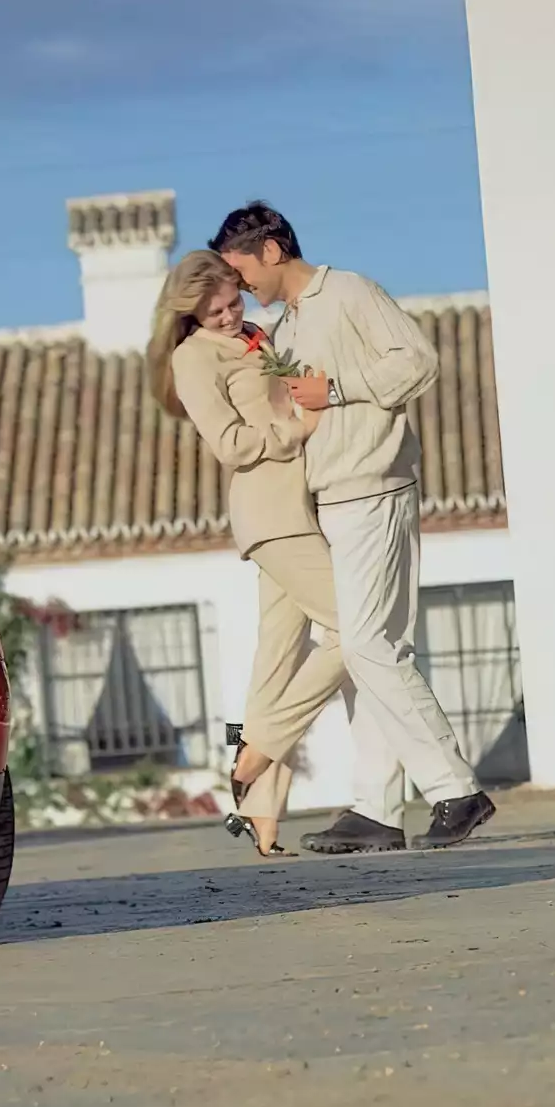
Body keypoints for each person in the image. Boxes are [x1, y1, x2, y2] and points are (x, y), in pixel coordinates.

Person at [211, 201, 496, 852]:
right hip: (326, 501)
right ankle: (377, 809)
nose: (241, 286)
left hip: (374, 486)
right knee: (361, 651)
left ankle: (456, 789)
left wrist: (336, 390)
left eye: (242, 270)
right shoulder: (284, 328)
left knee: (369, 646)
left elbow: (417, 361)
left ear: (272, 250)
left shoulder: (349, 292)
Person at [148, 251, 347, 857]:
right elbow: (231, 444)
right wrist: (298, 430)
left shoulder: (256, 335)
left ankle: (260, 808)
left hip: (303, 503)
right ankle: (258, 749)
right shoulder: (192, 357)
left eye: (233, 302)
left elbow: (291, 391)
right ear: (191, 314)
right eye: (216, 312)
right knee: (357, 627)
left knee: (276, 662)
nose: (231, 316)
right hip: (270, 512)